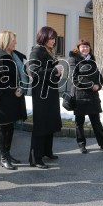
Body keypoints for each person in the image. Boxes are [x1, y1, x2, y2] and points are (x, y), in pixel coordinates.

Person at [68, 39, 103, 154]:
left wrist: (98, 85)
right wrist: (91, 85)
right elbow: (74, 78)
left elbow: (98, 76)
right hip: (79, 96)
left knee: (96, 121)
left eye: (87, 46)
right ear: (78, 48)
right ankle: (81, 144)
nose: (85, 48)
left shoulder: (92, 60)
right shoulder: (73, 59)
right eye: (83, 46)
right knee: (79, 122)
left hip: (93, 97)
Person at [0, 30, 27, 170]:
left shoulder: (14, 55)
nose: (15, 42)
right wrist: (13, 90)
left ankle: (8, 154)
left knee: (10, 127)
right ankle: (3, 157)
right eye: (13, 40)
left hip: (15, 96)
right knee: (3, 127)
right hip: (3, 97)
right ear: (5, 41)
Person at [28, 26, 63, 169]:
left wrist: (57, 72)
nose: (54, 41)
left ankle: (47, 151)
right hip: (41, 94)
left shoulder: (49, 51)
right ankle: (36, 157)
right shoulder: (37, 51)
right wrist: (54, 70)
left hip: (50, 92)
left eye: (55, 38)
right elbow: (34, 70)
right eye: (51, 38)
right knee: (41, 125)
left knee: (50, 122)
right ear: (43, 38)